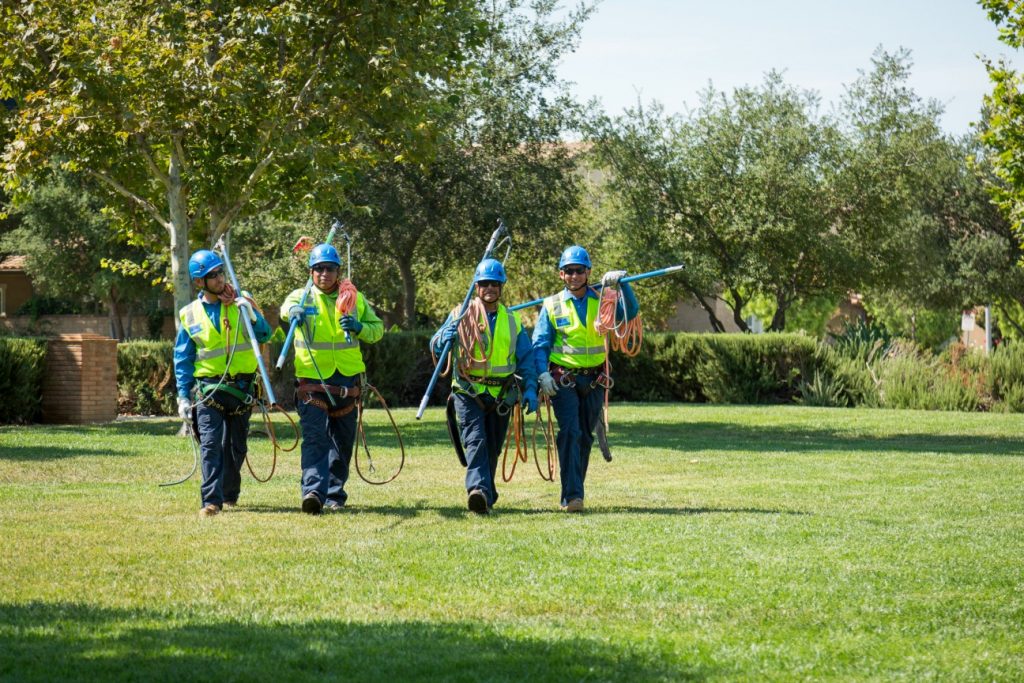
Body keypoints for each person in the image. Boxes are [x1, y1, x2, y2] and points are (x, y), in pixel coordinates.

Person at [532, 245, 638, 512]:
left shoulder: (603, 300)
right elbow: (540, 343)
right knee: (570, 432)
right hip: (563, 380)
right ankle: (572, 496)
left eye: (579, 270)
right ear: (561, 274)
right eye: (569, 271)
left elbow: (630, 313)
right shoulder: (552, 305)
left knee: (585, 437)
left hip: (594, 381)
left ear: (589, 272)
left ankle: (574, 492)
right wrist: (542, 374)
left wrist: (622, 285)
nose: (575, 275)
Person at [280, 244, 383, 514]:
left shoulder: (354, 299)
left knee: (341, 442)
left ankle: (334, 495)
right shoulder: (301, 297)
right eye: (319, 268)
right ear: (311, 271)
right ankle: (313, 491)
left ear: (338, 271)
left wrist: (360, 327)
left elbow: (377, 330)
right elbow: (286, 308)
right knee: (315, 438)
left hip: (347, 382)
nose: (324, 273)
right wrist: (293, 313)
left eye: (330, 269)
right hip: (312, 382)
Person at [432, 258, 538, 514]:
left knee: (492, 447)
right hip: (468, 391)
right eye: (484, 284)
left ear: (501, 286)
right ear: (476, 286)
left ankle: (485, 494)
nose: (489, 288)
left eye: (494, 283)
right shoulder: (460, 314)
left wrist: (531, 388)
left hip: (502, 395)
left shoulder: (512, 321)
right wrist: (442, 339)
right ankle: (477, 490)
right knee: (476, 440)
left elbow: (525, 358)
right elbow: (435, 343)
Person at [174, 248, 272, 518]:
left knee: (236, 447)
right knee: (211, 445)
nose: (219, 279)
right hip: (209, 391)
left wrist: (250, 312)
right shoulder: (190, 314)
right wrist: (183, 396)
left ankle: (229, 493)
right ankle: (211, 501)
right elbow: (183, 358)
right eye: (212, 276)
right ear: (199, 282)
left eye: (220, 273)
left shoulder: (243, 299)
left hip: (241, 390)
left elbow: (265, 333)